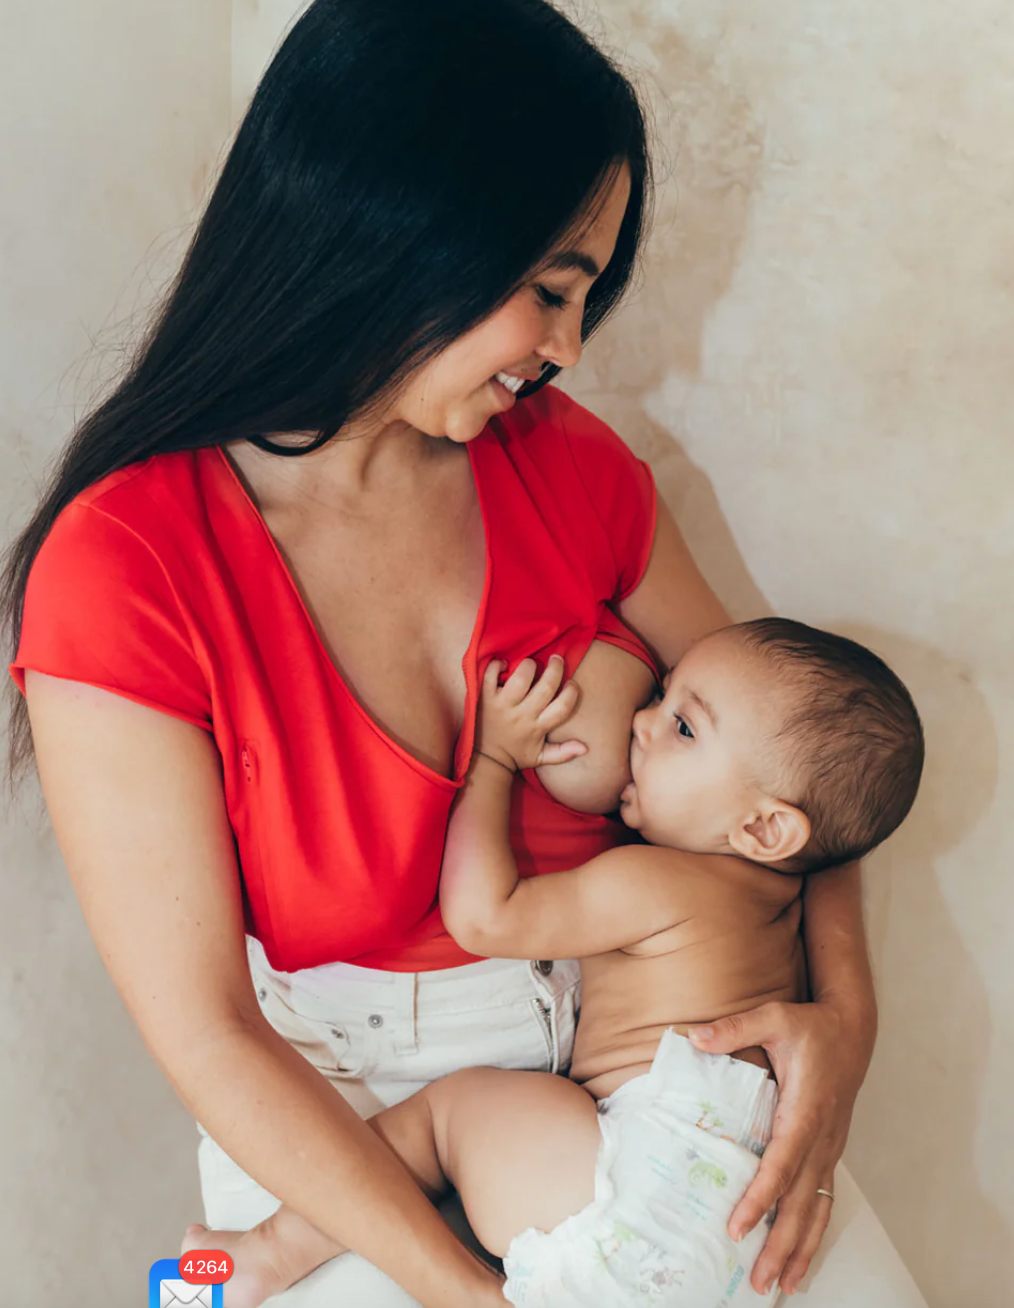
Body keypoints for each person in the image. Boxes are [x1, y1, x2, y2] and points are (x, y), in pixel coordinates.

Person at [1, 3, 920, 1305]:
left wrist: (844, 1026)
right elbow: (208, 1033)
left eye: (584, 295)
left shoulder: (572, 471)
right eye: (547, 289)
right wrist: (467, 1292)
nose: (567, 348)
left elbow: (796, 767)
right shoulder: (128, 565)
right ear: (389, 231)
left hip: (628, 1098)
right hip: (331, 1141)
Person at [183, 619, 924, 1307]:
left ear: (762, 826)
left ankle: (264, 1257)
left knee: (445, 1117)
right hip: (728, 1239)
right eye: (663, 697)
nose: (641, 720)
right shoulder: (784, 900)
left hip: (625, 1194)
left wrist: (494, 760)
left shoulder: (659, 884)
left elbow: (484, 915)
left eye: (683, 727)